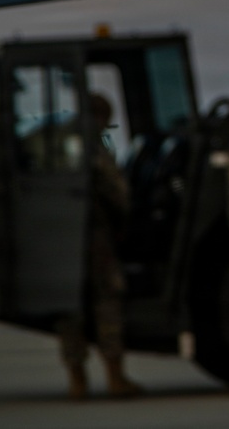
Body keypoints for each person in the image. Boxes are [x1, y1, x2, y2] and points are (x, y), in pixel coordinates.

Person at [55, 93, 143, 400]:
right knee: (107, 301)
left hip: (61, 238)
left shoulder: (54, 141)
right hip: (94, 236)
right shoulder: (93, 144)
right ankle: (115, 377)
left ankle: (76, 380)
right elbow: (116, 191)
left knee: (70, 309)